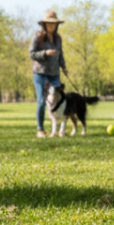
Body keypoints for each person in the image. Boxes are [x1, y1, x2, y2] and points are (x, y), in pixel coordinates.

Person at [30, 10, 67, 138]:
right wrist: (45, 53)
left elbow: (60, 54)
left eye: (54, 24)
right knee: (41, 101)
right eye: (49, 23)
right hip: (40, 74)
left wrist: (64, 67)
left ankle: (60, 129)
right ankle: (40, 129)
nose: (52, 26)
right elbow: (32, 54)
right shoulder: (37, 37)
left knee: (61, 101)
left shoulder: (58, 38)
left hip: (54, 74)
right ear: (44, 24)